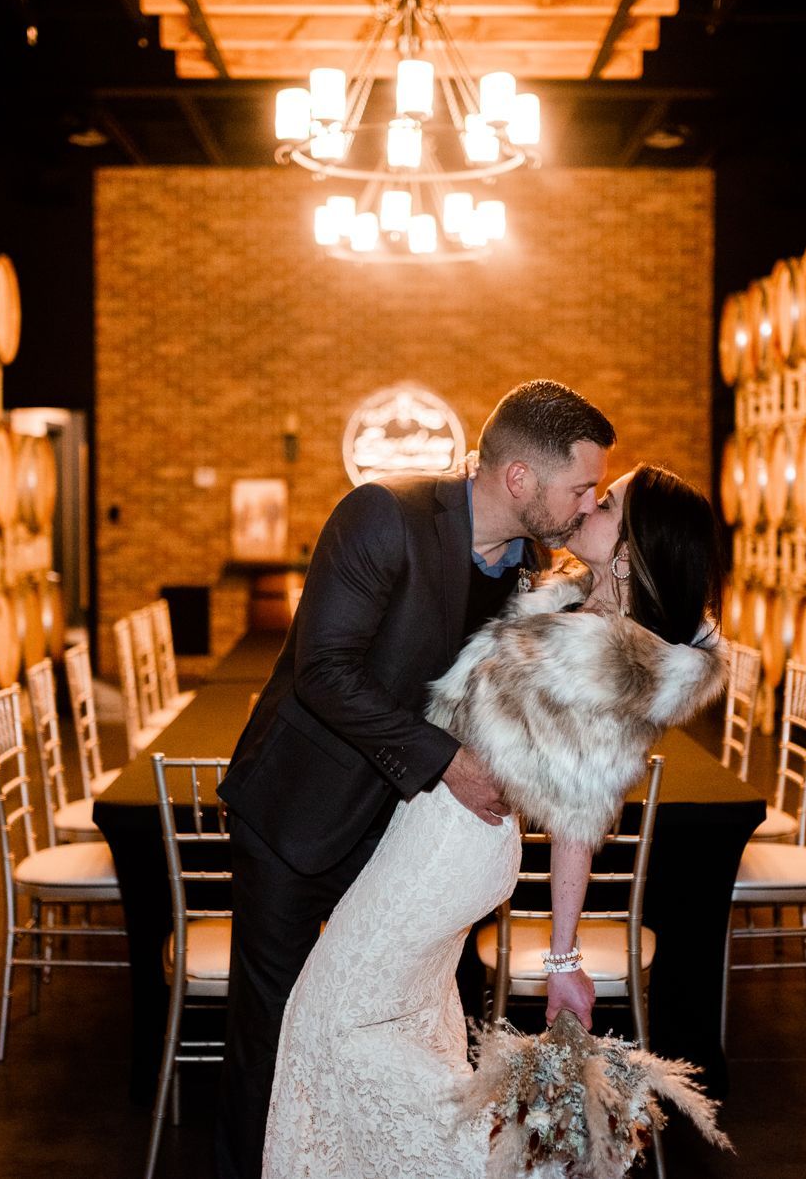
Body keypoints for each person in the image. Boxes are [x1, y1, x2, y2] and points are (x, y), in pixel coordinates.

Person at [261, 463, 730, 1179]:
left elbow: (579, 817)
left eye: (605, 503)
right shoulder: (576, 606)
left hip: (447, 851)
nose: (588, 506)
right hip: (443, 838)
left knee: (329, 1022)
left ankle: (504, 1165)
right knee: (407, 1024)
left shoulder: (606, 656)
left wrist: (564, 958)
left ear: (631, 551)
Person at [214, 380, 618, 1179]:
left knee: (425, 1026)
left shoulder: (537, 573)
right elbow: (324, 671)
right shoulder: (383, 516)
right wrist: (449, 763)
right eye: (581, 487)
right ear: (519, 480)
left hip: (408, 840)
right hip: (300, 815)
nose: (588, 503)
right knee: (275, 1029)